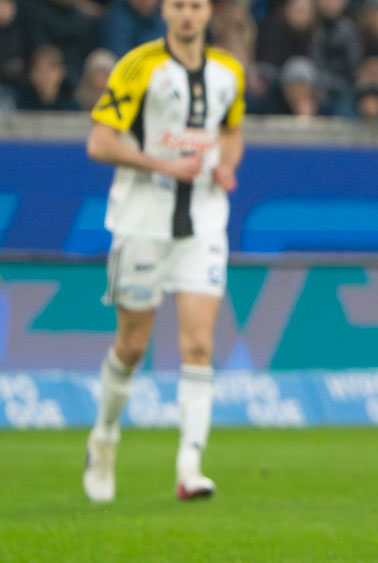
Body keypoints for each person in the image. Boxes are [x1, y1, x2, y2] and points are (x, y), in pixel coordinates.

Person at [83, 0, 244, 502]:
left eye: (196, 5)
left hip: (203, 224)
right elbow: (99, 142)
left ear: (208, 12)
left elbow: (232, 131)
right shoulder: (138, 66)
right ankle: (104, 437)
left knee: (198, 344)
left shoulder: (228, 72)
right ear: (165, 12)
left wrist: (226, 166)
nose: (188, 15)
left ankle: (189, 468)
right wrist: (161, 164)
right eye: (178, 6)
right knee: (131, 347)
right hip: (142, 222)